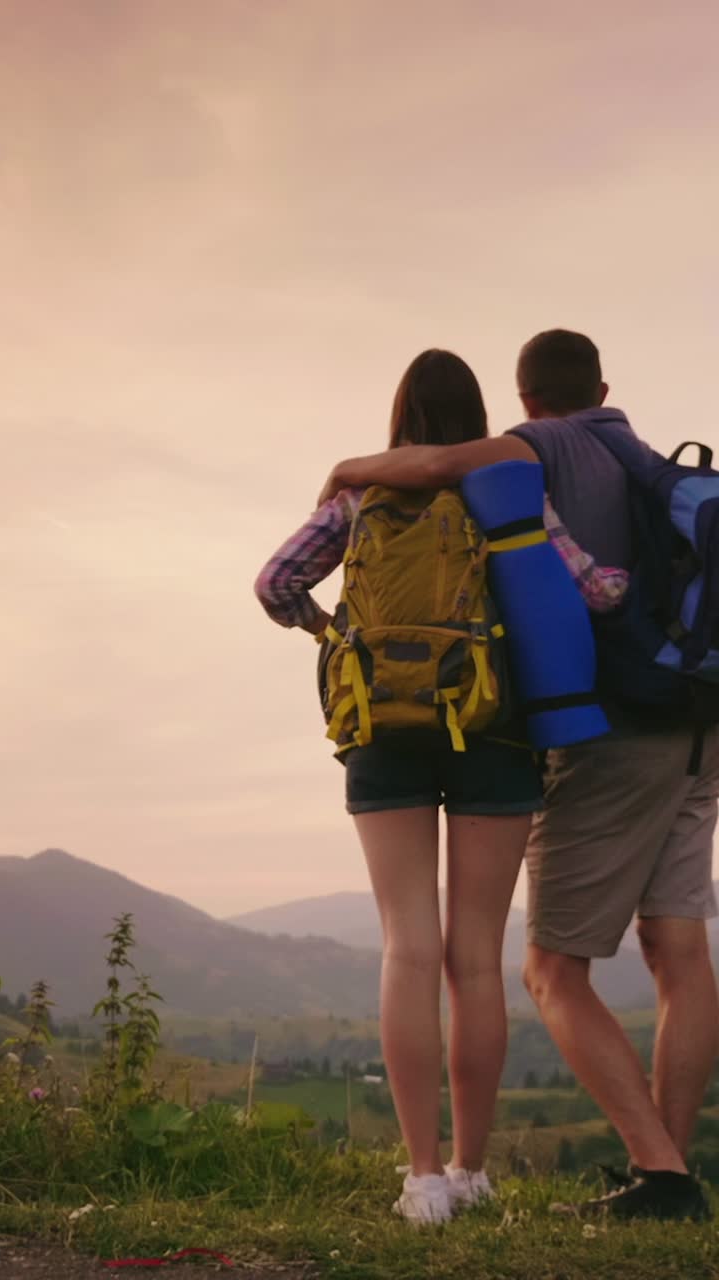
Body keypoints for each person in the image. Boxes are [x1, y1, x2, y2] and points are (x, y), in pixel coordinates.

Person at [317, 330, 716, 1221]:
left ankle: (638, 1174)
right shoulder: (639, 458)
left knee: (519, 965)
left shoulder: (509, 456)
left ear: (527, 399)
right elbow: (605, 587)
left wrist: (349, 479)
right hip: (689, 723)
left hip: (577, 735)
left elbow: (282, 578)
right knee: (669, 950)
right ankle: (642, 1173)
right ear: (603, 385)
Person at [255, 348, 626, 1224]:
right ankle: (469, 1168)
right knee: (473, 959)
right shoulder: (503, 493)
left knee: (407, 949)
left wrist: (330, 632)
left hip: (382, 730)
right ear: (478, 416)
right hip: (494, 732)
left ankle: (420, 1179)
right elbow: (599, 593)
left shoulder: (357, 501)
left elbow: (275, 583)